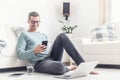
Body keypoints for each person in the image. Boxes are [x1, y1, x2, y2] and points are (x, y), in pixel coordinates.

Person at [16, 11, 96, 75]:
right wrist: (34, 51)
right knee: (60, 67)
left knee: (62, 36)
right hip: (40, 63)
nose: (36, 24)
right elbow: (19, 54)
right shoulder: (24, 34)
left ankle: (83, 65)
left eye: (37, 22)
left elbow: (47, 49)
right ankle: (68, 68)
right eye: (33, 22)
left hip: (51, 57)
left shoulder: (43, 35)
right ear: (28, 21)